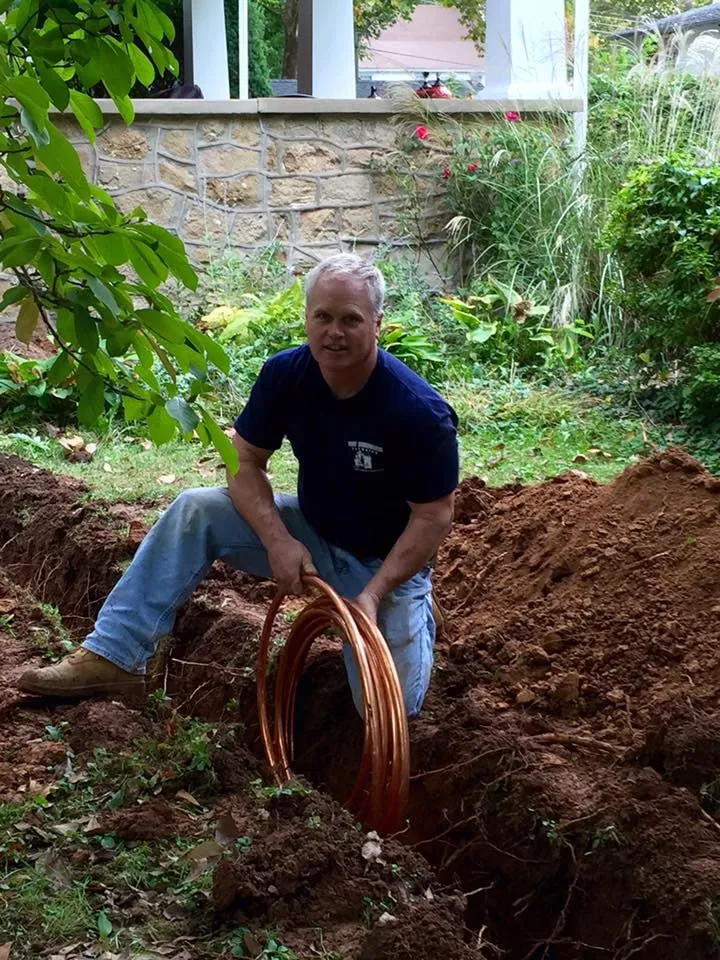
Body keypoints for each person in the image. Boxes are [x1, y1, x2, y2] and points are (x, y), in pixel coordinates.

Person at [18, 254, 459, 716]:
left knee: (385, 709)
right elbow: (244, 461)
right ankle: (115, 654)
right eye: (323, 317)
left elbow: (433, 517)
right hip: (315, 531)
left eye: (351, 319)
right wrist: (279, 541)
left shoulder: (417, 411)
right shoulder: (286, 375)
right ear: (306, 318)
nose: (334, 332)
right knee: (196, 509)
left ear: (377, 323)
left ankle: (412, 609)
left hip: (383, 563)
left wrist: (374, 593)